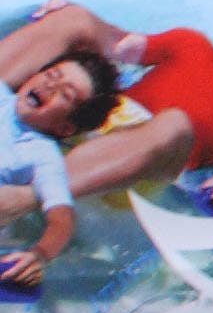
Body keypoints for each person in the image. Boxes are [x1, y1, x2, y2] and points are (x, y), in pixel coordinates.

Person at [0, 2, 213, 214]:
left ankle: (24, 199)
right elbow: (118, 43)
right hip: (88, 125)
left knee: (175, 122)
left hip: (137, 173)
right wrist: (70, 16)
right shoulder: (190, 43)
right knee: (75, 17)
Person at [0, 47, 122, 292]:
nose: (49, 87)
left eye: (65, 95)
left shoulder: (42, 155)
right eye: (51, 75)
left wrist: (39, 255)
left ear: (65, 128)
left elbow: (62, 219)